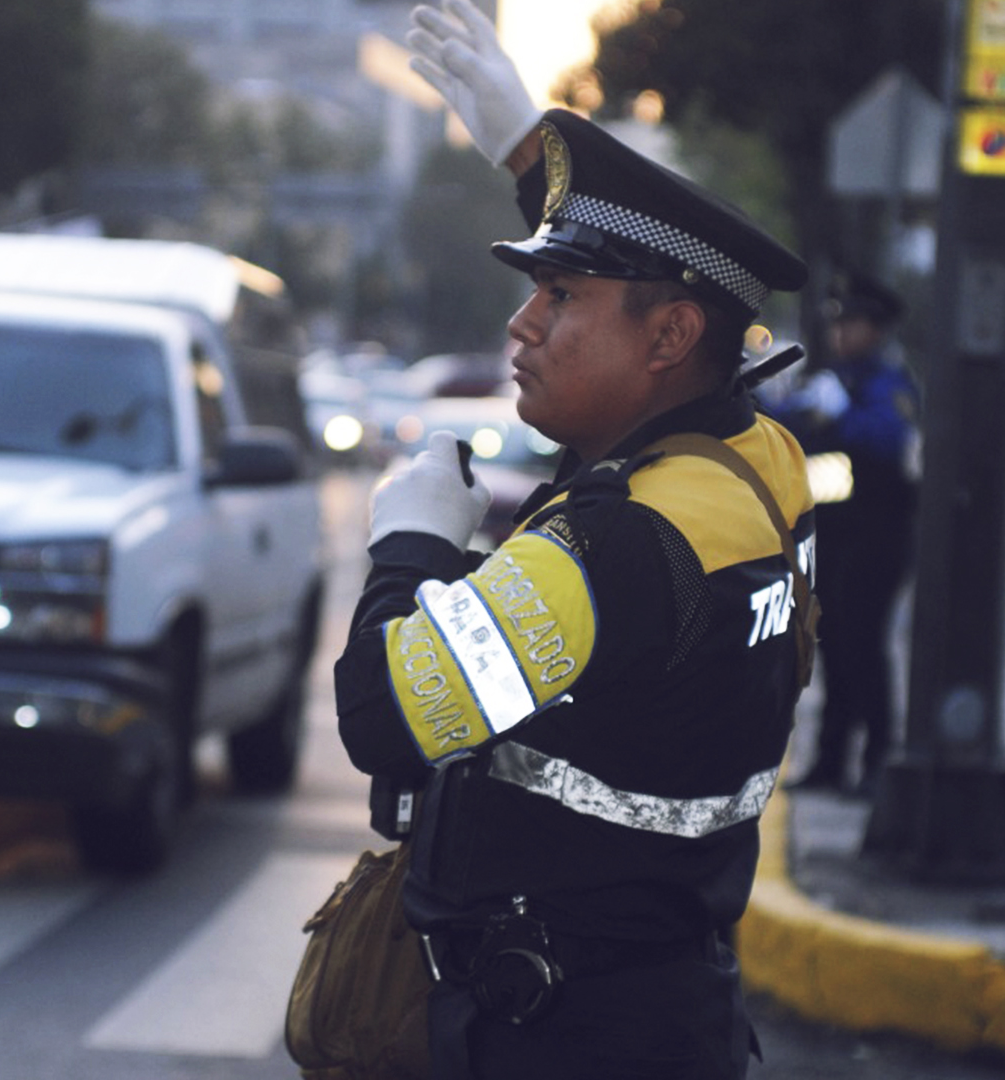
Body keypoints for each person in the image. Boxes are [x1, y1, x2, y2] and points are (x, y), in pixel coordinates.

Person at [332, 3, 815, 1075]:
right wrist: (530, 154)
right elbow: (649, 272)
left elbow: (380, 712)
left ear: (672, 337)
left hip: (550, 1036)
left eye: (560, 296)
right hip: (667, 1011)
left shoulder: (620, 543)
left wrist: (410, 545)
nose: (522, 324)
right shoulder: (753, 460)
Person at [776, 270, 921, 797]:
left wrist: (841, 415)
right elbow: (787, 427)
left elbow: (887, 436)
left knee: (866, 649)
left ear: (877, 329)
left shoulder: (887, 383)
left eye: (853, 324)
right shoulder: (836, 379)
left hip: (879, 535)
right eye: (840, 324)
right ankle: (833, 760)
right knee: (832, 649)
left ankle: (878, 761)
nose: (842, 334)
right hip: (835, 534)